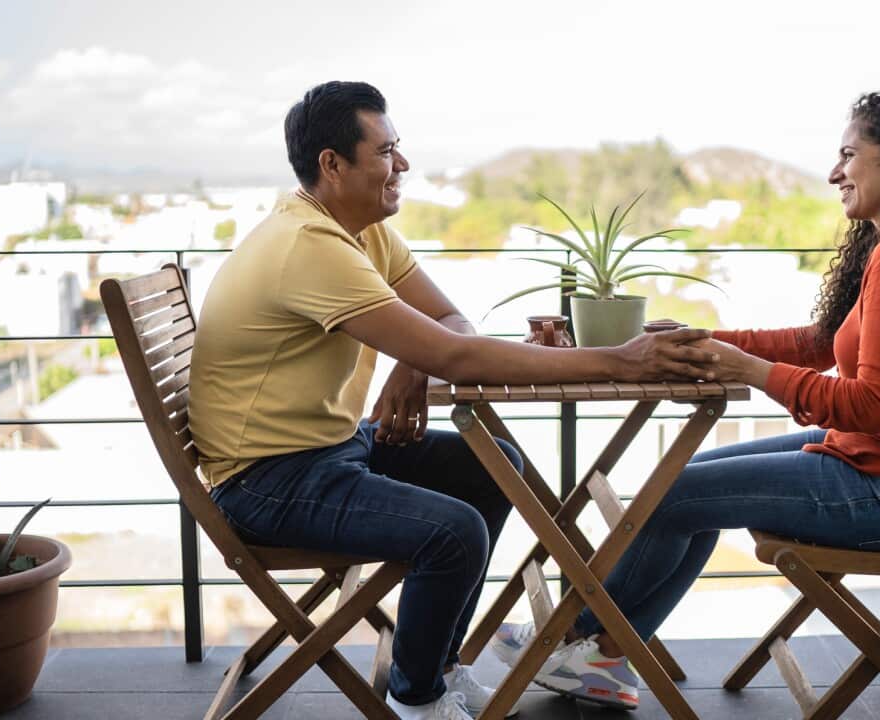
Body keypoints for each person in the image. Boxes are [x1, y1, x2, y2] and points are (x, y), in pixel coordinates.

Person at [187, 81, 719, 720]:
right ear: (333, 165)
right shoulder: (310, 247)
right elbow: (458, 353)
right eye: (385, 152)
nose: (402, 165)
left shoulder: (360, 232)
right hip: (267, 480)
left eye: (398, 148)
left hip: (330, 449)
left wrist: (417, 356)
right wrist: (617, 359)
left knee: (492, 466)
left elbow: (449, 322)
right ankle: (417, 699)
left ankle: (435, 666)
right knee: (453, 530)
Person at [491, 87, 880, 711]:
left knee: (674, 493)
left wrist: (751, 370)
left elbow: (873, 405)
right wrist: (703, 343)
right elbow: (818, 342)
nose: (833, 173)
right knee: (685, 480)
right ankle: (605, 652)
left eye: (849, 155)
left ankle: (581, 638)